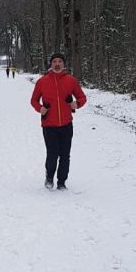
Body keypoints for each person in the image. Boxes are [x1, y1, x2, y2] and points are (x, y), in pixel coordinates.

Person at [30, 53, 87, 190]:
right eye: (54, 61)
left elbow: (82, 97)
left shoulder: (71, 80)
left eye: (60, 61)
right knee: (52, 153)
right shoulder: (42, 81)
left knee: (65, 155)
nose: (57, 64)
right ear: (51, 64)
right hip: (49, 124)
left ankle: (62, 182)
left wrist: (76, 104)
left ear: (63, 64)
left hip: (66, 124)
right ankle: (49, 177)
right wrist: (40, 109)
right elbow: (33, 100)